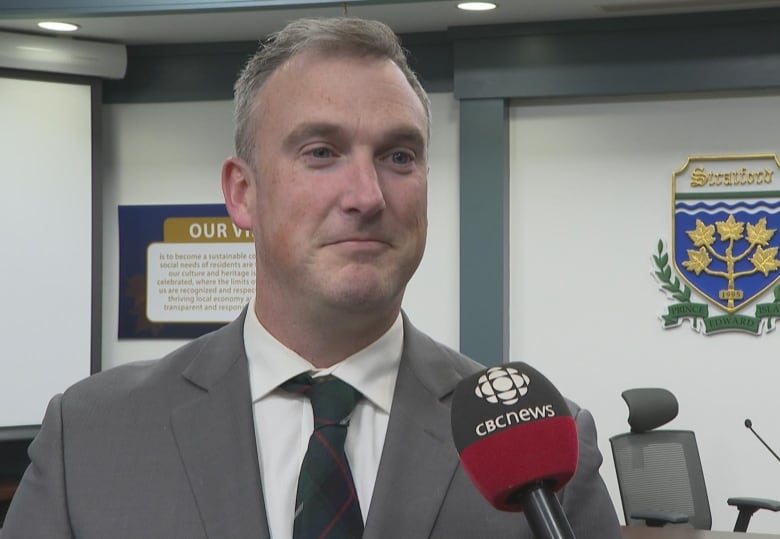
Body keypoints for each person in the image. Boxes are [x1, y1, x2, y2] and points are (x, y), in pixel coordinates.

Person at [2, 17, 622, 538]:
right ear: (242, 194)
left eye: (398, 156)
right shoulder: (89, 438)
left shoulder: (543, 453)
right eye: (321, 152)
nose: (366, 194)